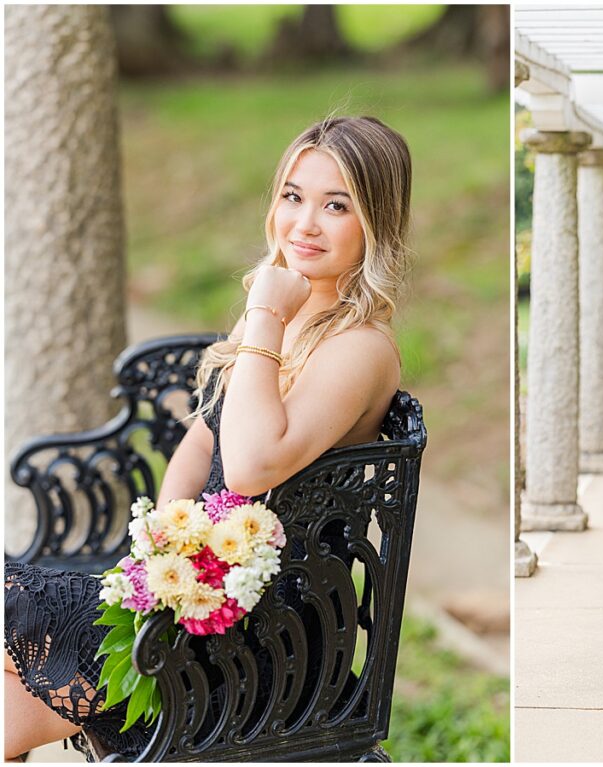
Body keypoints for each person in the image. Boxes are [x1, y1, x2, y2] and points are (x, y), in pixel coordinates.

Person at [4, 114, 411, 760]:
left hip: (262, 640)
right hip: (200, 600)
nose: (304, 223)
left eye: (336, 205)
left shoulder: (359, 348)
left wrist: (266, 314)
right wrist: (166, 549)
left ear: (376, 222)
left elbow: (248, 466)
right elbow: (204, 441)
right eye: (292, 196)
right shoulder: (294, 314)